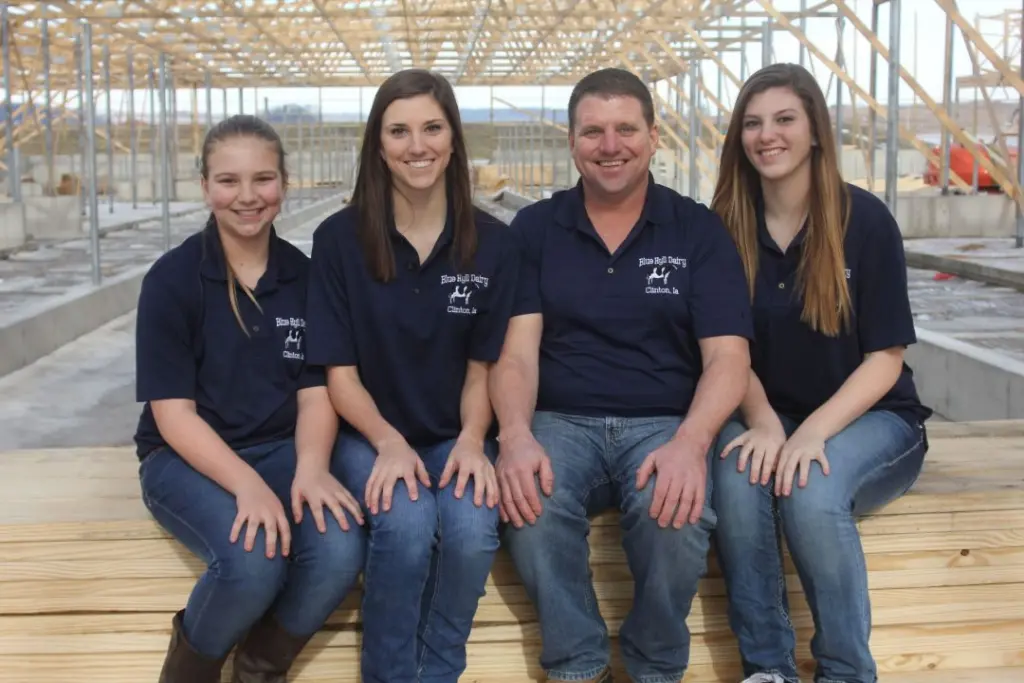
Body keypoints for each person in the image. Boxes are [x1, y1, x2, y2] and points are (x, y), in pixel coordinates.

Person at [490, 67, 755, 683]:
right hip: (560, 419)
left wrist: (692, 443)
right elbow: (517, 355)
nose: (610, 146)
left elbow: (727, 357)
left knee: (678, 513)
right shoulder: (534, 230)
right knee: (531, 506)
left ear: (654, 136)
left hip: (663, 420)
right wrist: (515, 435)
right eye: (593, 131)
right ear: (572, 140)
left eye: (625, 130)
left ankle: (655, 665)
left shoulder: (696, 230)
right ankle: (578, 665)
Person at [708, 63, 933, 683]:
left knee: (810, 491)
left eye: (784, 119)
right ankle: (768, 669)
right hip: (766, 409)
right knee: (735, 474)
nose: (766, 135)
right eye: (752, 123)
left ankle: (845, 672)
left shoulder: (864, 221)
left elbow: (886, 359)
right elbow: (727, 347)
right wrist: (763, 423)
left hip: (873, 416)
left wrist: (810, 435)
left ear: (815, 132)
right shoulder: (723, 225)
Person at [134, 114, 366, 683]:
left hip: (282, 447)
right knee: (253, 559)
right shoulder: (173, 280)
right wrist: (248, 488)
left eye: (262, 179)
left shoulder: (304, 277)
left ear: (284, 184)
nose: (247, 197)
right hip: (185, 457)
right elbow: (173, 414)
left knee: (339, 550)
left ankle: (259, 669)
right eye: (228, 181)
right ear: (206, 186)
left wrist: (310, 469)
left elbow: (315, 393)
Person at [304, 68, 518, 683]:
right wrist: (388, 442)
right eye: (398, 131)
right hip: (367, 435)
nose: (416, 145)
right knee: (405, 525)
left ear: (453, 138)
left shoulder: (490, 244)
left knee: (474, 532)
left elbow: (484, 366)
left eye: (431, 127)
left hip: (455, 433)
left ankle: (439, 669)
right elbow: (339, 373)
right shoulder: (340, 240)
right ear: (378, 143)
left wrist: (475, 441)